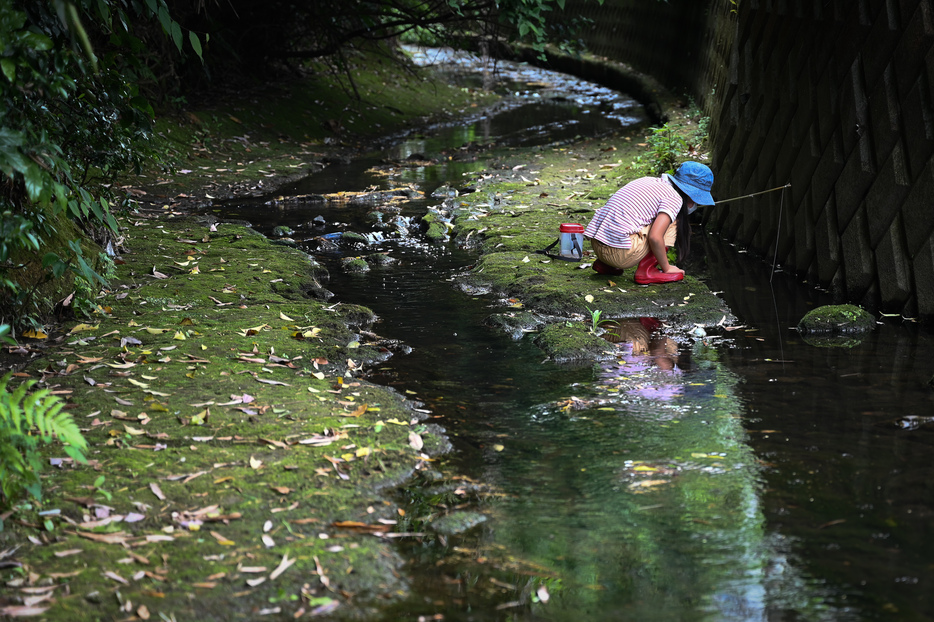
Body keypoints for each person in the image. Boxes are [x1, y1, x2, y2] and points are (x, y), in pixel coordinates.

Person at [584, 161, 715, 283]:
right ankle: (647, 270)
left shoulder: (648, 181)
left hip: (598, 246)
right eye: (696, 199)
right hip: (619, 254)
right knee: (671, 221)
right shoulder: (674, 198)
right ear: (688, 193)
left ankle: (606, 265)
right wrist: (667, 267)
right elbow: (655, 237)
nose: (695, 204)